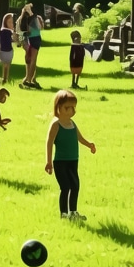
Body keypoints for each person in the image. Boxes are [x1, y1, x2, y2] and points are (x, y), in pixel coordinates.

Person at [44, 89, 96, 221]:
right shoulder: (56, 124)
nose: (71, 110)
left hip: (73, 160)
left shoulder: (72, 123)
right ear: (58, 107)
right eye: (67, 107)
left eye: (73, 107)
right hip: (61, 162)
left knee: (75, 185)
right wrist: (48, 161)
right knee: (65, 187)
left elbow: (79, 137)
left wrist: (89, 144)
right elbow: (49, 143)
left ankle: (73, 212)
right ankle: (63, 214)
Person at [18, 3, 43, 88]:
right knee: (32, 61)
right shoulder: (32, 18)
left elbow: (20, 31)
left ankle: (28, 79)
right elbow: (39, 27)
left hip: (29, 40)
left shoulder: (24, 19)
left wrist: (23, 43)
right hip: (34, 39)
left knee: (29, 61)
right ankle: (29, 79)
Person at [0, 12, 15, 83]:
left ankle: (6, 78)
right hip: (4, 51)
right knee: (6, 65)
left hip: (9, 50)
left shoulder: (8, 32)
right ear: (5, 23)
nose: (11, 24)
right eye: (9, 22)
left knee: (7, 64)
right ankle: (4, 78)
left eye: (12, 22)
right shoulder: (4, 32)